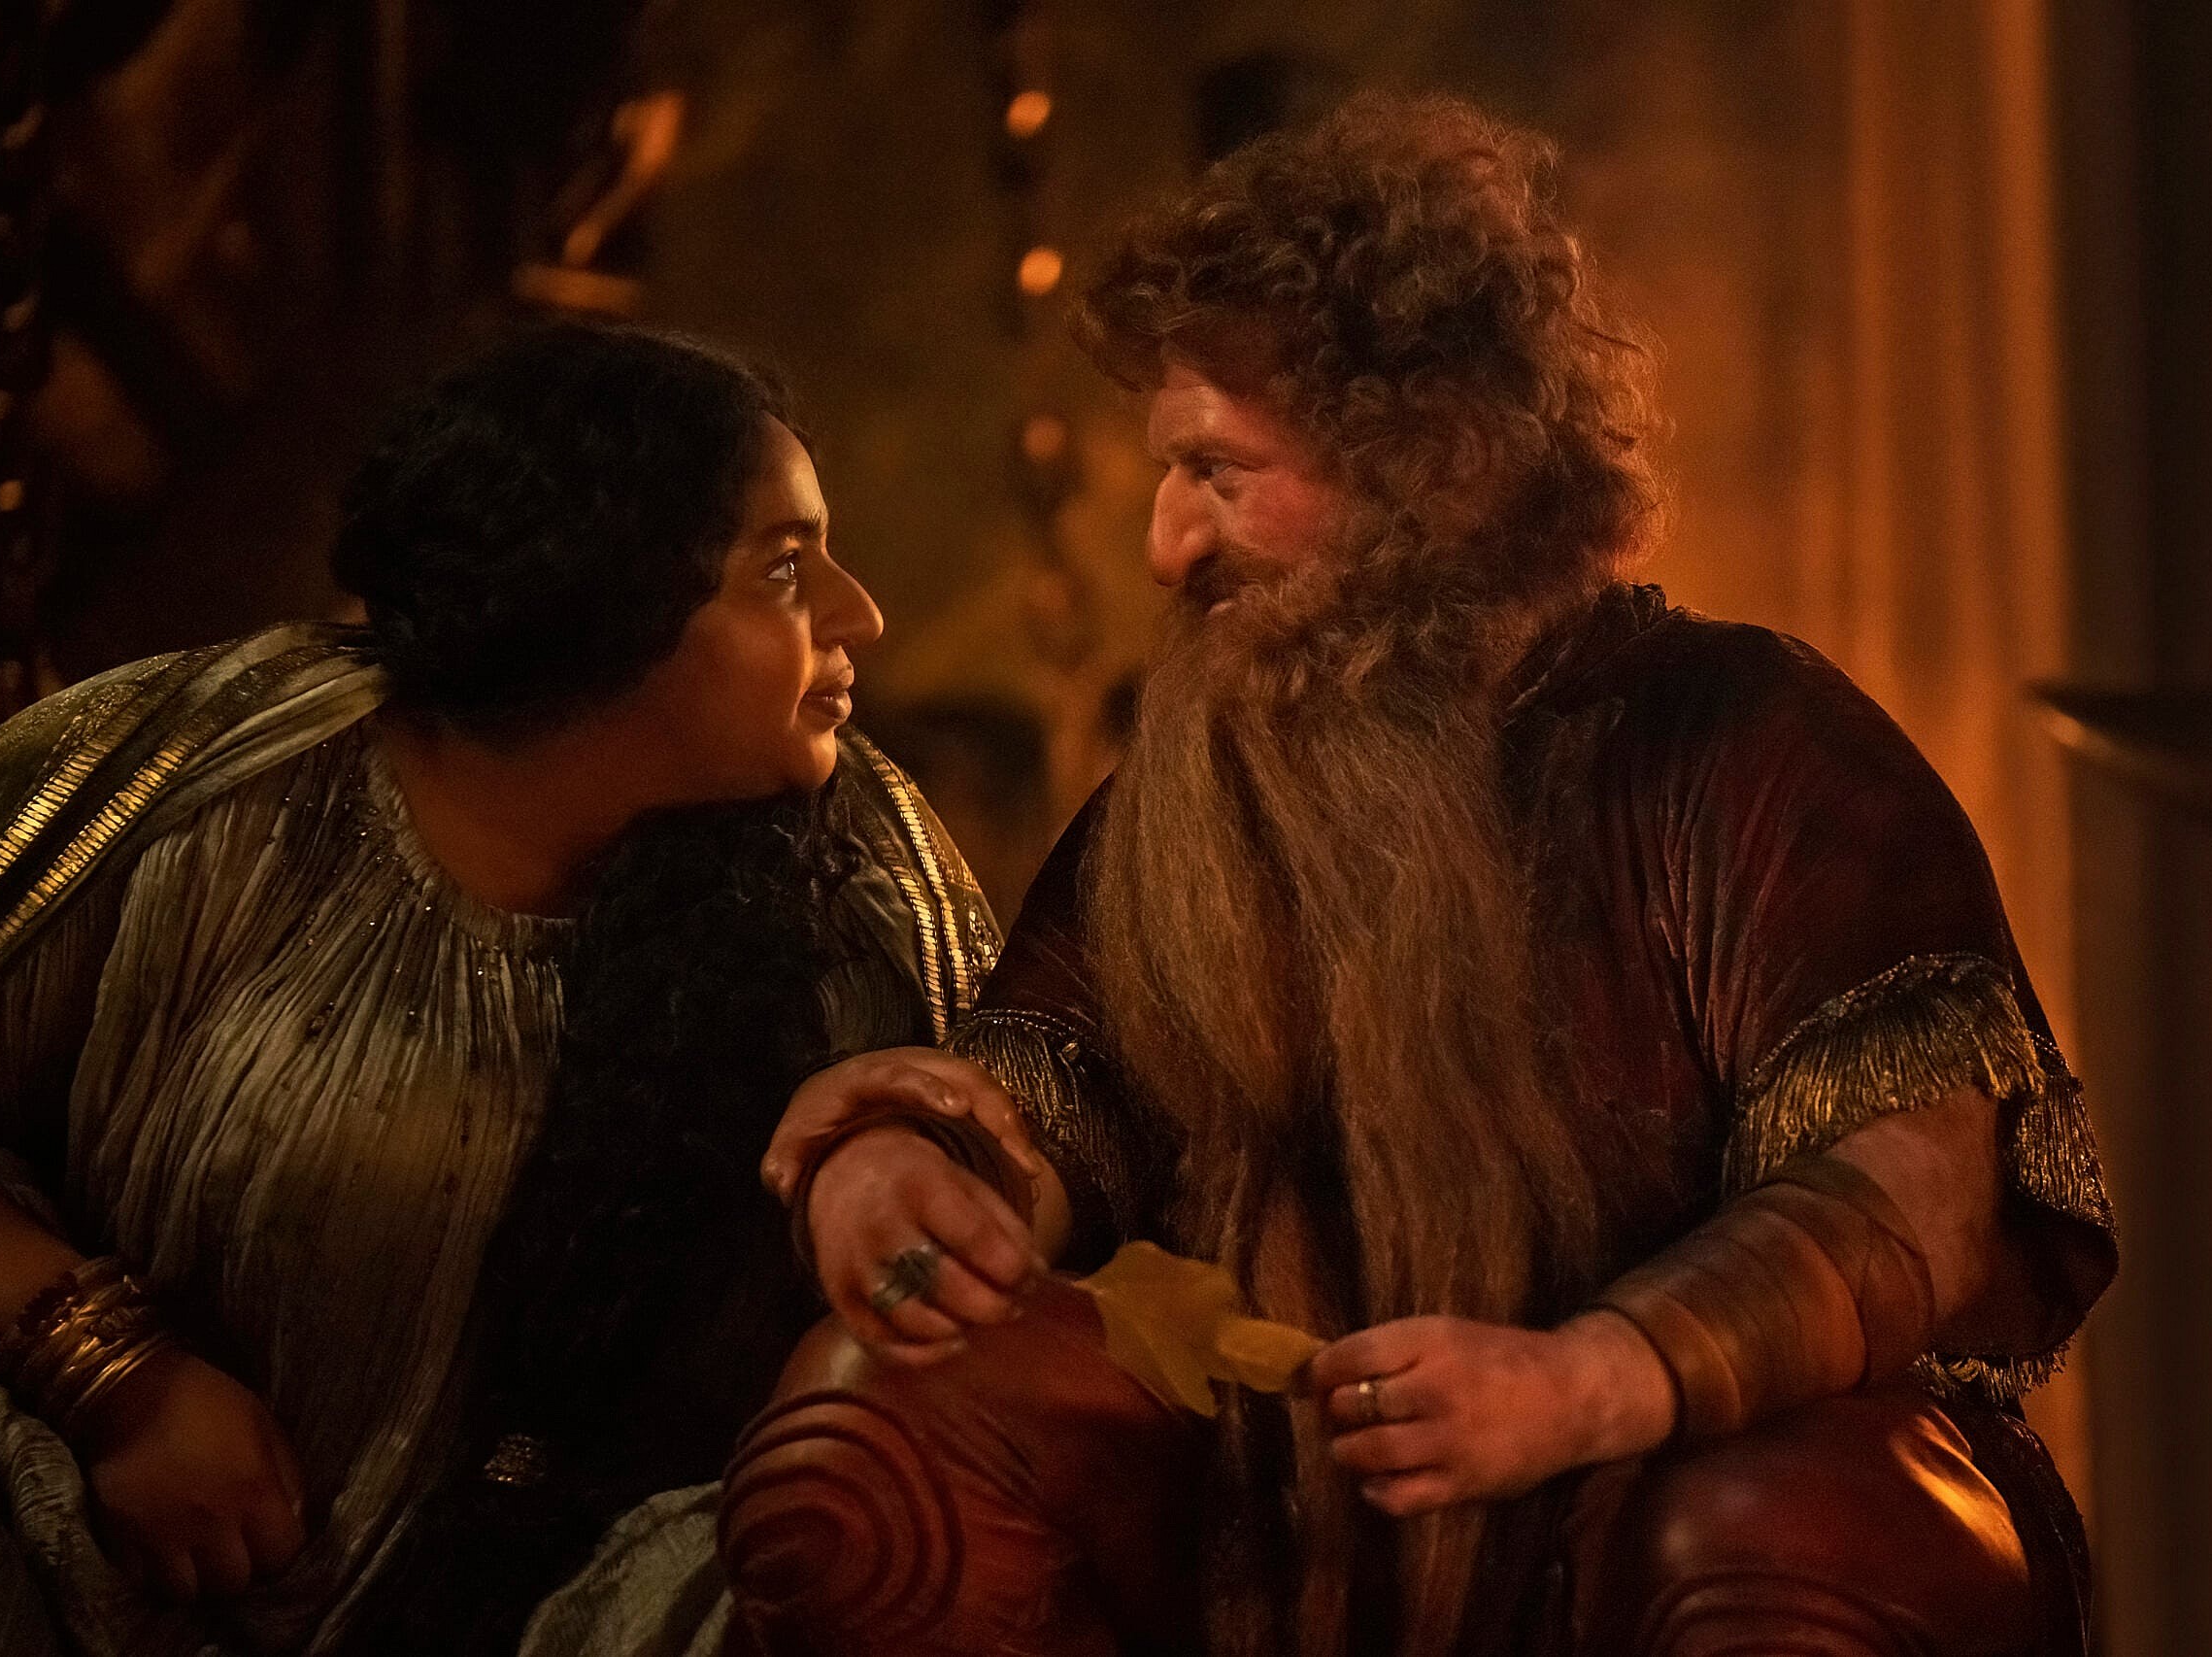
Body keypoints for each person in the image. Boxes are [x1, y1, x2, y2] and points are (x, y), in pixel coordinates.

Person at [743, 94, 2118, 1657]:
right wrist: (908, 1179)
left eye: (1218, 470)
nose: (1168, 546)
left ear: (1438, 467)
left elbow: (1910, 1190)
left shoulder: (1747, 742)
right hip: (1286, 1536)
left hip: (1658, 1515)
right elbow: (1047, 1107)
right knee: (871, 1443)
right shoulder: (1187, 806)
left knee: (1783, 1538)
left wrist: (1593, 1379)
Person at [0, 322, 1001, 1657]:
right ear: (605, 597)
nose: (860, 613)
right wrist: (109, 1376)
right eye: (783, 568)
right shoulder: (229, 781)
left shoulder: (859, 887)